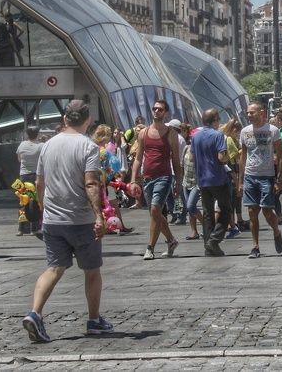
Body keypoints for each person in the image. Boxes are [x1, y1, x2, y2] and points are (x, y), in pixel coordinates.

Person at [22, 100, 112, 343]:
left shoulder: (47, 145)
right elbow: (91, 183)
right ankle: (94, 320)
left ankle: (35, 313)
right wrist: (98, 215)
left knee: (53, 268)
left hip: (53, 220)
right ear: (88, 119)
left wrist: (43, 210)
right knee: (92, 271)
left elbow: (40, 183)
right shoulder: (88, 147)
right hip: (80, 219)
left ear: (64, 119)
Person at [129, 100, 183, 260]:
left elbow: (175, 160)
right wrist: (133, 179)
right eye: (154, 109)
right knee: (155, 213)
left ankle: (150, 248)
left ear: (165, 113)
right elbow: (138, 158)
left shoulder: (171, 134)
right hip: (147, 178)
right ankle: (171, 240)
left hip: (164, 177)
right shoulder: (143, 133)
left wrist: (178, 181)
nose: (156, 111)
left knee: (154, 210)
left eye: (160, 109)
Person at [239, 103, 282, 259]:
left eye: (252, 112)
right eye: (248, 113)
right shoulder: (245, 131)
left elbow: (280, 156)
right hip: (250, 176)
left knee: (266, 211)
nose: (249, 115)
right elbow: (243, 157)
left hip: (267, 176)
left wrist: (279, 180)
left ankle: (276, 231)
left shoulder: (273, 131)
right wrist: (240, 180)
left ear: (261, 113)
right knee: (252, 212)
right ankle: (255, 246)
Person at [191, 109, 231, 256]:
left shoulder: (195, 136)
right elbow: (222, 157)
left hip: (202, 179)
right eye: (218, 118)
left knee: (207, 213)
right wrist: (228, 158)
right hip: (218, 178)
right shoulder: (218, 135)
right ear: (214, 120)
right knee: (226, 210)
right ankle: (214, 240)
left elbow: (192, 157)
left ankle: (208, 247)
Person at [16, 126, 44, 236]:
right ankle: (35, 228)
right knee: (35, 202)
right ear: (37, 134)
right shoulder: (41, 146)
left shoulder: (22, 145)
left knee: (23, 201)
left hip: (23, 176)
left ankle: (22, 228)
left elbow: (19, 159)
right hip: (36, 176)